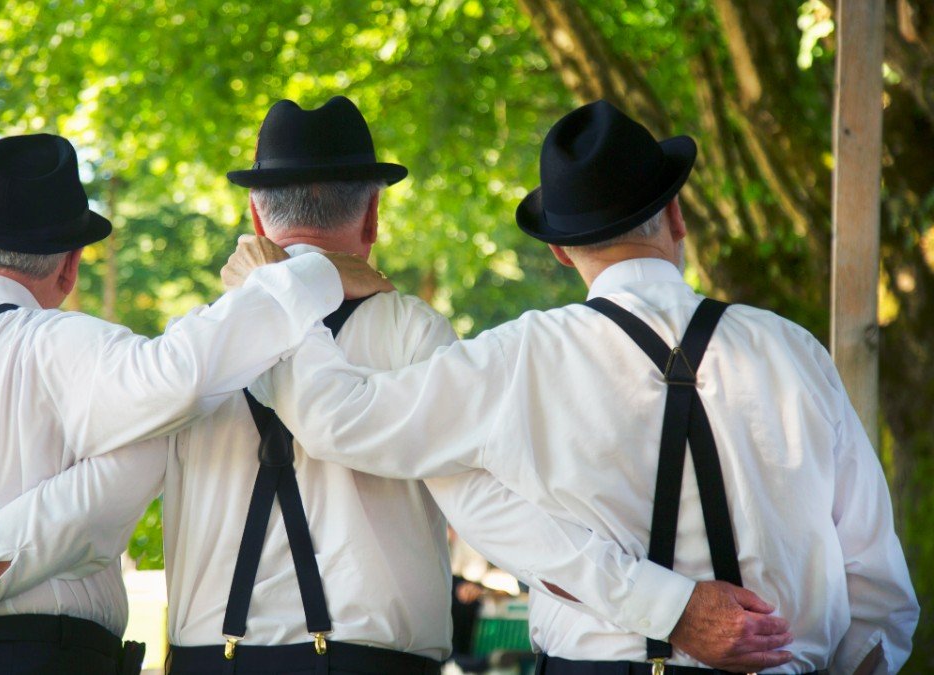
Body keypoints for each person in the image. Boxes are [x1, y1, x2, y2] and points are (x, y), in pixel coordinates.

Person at [0, 99, 789, 675]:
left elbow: (86, 505)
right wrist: (662, 602)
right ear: (373, 216)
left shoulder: (184, 356)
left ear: (254, 210)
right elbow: (492, 513)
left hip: (216, 664)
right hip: (385, 667)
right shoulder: (425, 339)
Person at [247, 100, 919, 674]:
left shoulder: (519, 357)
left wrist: (279, 296)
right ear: (676, 216)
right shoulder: (793, 349)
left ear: (560, 250)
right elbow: (880, 587)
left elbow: (340, 418)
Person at [0, 133, 390, 674]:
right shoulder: (65, 346)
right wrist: (314, 273)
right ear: (70, 267)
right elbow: (181, 377)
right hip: (32, 657)